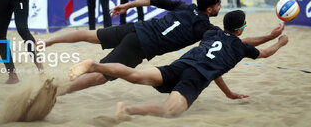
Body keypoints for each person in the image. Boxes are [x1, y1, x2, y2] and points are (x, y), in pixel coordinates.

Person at [44, 0, 284, 95]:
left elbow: (150, 0)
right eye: (219, 5)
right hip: (141, 45)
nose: (221, 7)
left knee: (91, 34)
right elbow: (231, 40)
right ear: (210, 8)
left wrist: (127, 5)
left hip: (137, 28)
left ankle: (50, 41)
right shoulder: (204, 27)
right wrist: (271, 37)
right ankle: (59, 91)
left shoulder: (184, 6)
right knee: (100, 76)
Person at [68, 10, 288, 118]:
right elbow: (265, 53)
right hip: (193, 78)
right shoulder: (241, 48)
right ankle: (127, 109)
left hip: (179, 66)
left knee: (135, 76)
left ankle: (94, 65)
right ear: (241, 29)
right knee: (169, 111)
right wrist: (279, 42)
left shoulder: (213, 32)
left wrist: (228, 93)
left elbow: (217, 70)